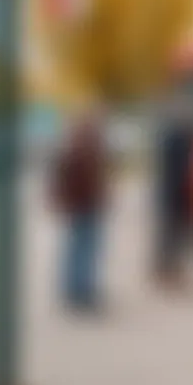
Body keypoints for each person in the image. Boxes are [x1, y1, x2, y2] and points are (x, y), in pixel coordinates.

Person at [51, 104, 109, 311]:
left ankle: (79, 289)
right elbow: (62, 178)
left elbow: (98, 178)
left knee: (82, 248)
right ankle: (79, 291)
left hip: (86, 205)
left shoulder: (86, 148)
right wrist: (60, 200)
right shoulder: (77, 149)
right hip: (83, 206)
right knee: (82, 249)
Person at [154, 94, 193, 287]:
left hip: (179, 194)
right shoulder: (175, 137)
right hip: (174, 194)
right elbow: (176, 168)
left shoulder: (180, 136)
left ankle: (169, 269)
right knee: (170, 234)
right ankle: (166, 271)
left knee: (176, 235)